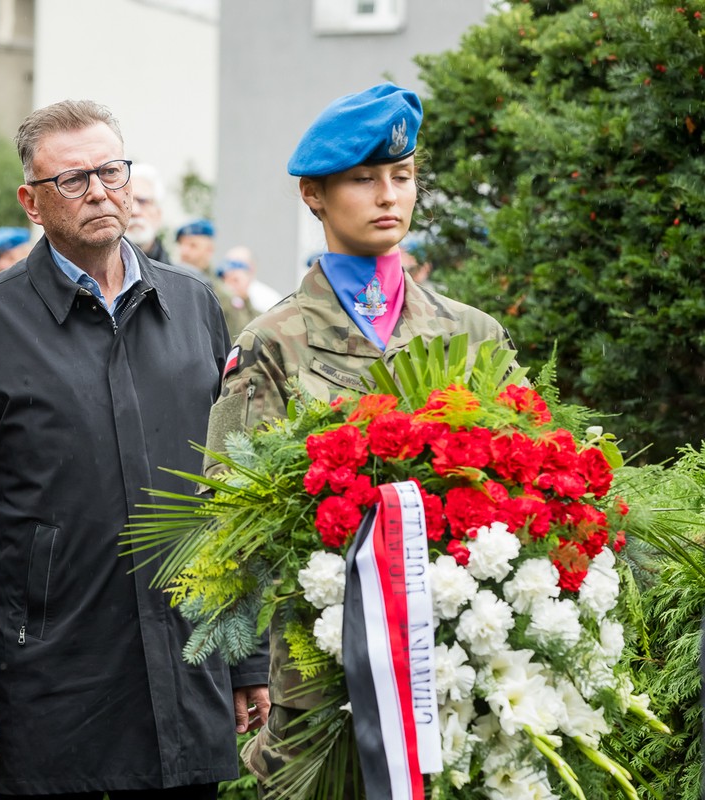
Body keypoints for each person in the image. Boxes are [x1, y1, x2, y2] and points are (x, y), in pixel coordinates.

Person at [0, 99, 269, 799]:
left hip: (185, 657)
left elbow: (232, 496)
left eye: (112, 171)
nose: (101, 192)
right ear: (31, 201)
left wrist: (246, 654)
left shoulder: (192, 303)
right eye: (73, 180)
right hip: (51, 669)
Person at [203, 83, 518, 796]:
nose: (387, 195)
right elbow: (228, 512)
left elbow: (527, 480)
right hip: (322, 672)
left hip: (465, 659)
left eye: (401, 177)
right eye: (363, 178)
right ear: (313, 195)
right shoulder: (274, 343)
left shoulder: (471, 335)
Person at [177, 219, 256, 340]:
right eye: (181, 244)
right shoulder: (170, 279)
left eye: (192, 245)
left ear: (209, 250)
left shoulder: (221, 292)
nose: (184, 251)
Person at [125, 162, 172, 263]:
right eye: (128, 202)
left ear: (158, 215)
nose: (135, 211)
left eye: (143, 201)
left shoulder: (179, 277)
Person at [221, 246, 284, 313]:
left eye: (237, 265)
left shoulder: (268, 299)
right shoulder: (219, 293)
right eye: (227, 264)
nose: (230, 270)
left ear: (251, 268)